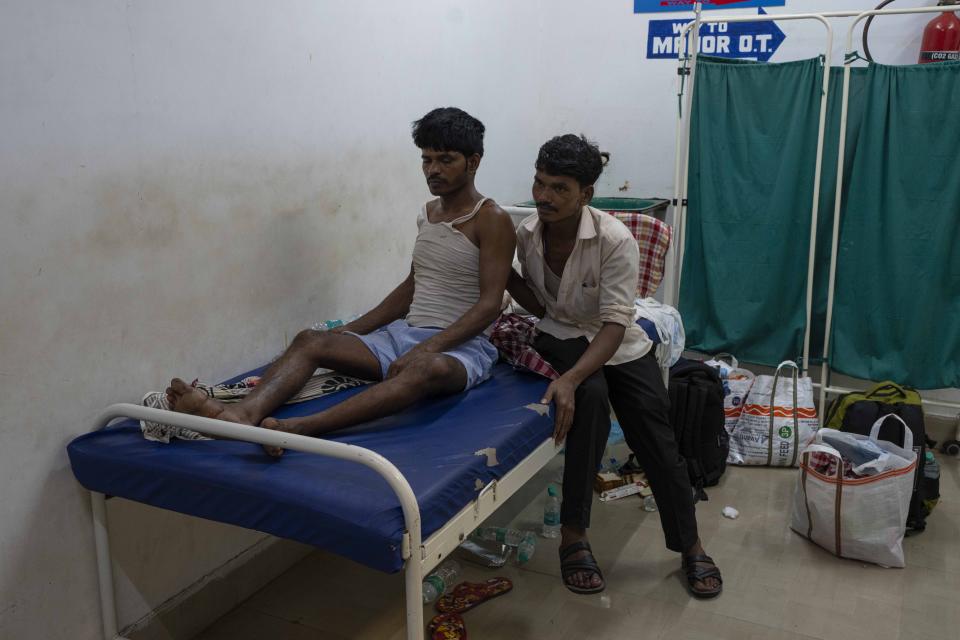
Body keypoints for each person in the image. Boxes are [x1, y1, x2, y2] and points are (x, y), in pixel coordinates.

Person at [166, 107, 516, 456]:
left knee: (426, 369)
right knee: (311, 340)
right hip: (405, 337)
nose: (433, 170)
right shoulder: (429, 214)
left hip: (462, 347)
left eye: (445, 160)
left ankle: (296, 430)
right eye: (426, 160)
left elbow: (488, 306)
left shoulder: (491, 218)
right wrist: (350, 331)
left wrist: (427, 348)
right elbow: (412, 287)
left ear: (473, 162)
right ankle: (240, 416)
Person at [507, 134, 722, 599]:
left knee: (654, 430)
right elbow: (537, 299)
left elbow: (613, 322)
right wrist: (499, 274)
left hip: (616, 340)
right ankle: (574, 534)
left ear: (586, 194)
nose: (544, 197)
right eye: (540, 184)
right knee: (591, 402)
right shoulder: (526, 234)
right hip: (559, 332)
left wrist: (570, 376)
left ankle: (690, 545)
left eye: (559, 188)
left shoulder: (615, 240)